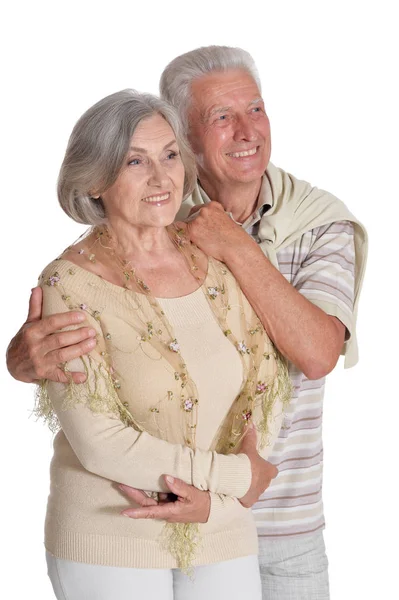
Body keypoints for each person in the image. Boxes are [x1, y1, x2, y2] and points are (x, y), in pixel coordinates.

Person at [6, 46, 367, 599]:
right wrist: (21, 357)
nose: (246, 131)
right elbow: (96, 420)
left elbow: (309, 358)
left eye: (255, 108)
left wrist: (234, 247)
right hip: (141, 520)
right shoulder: (144, 225)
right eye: (220, 117)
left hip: (274, 515)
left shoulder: (315, 225)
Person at [23, 88, 293, 600]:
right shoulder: (70, 283)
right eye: (135, 161)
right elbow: (98, 439)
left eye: (170, 155)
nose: (160, 177)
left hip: (224, 526)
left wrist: (215, 503)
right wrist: (237, 476)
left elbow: (263, 382)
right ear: (97, 179)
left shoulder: (215, 258)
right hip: (111, 533)